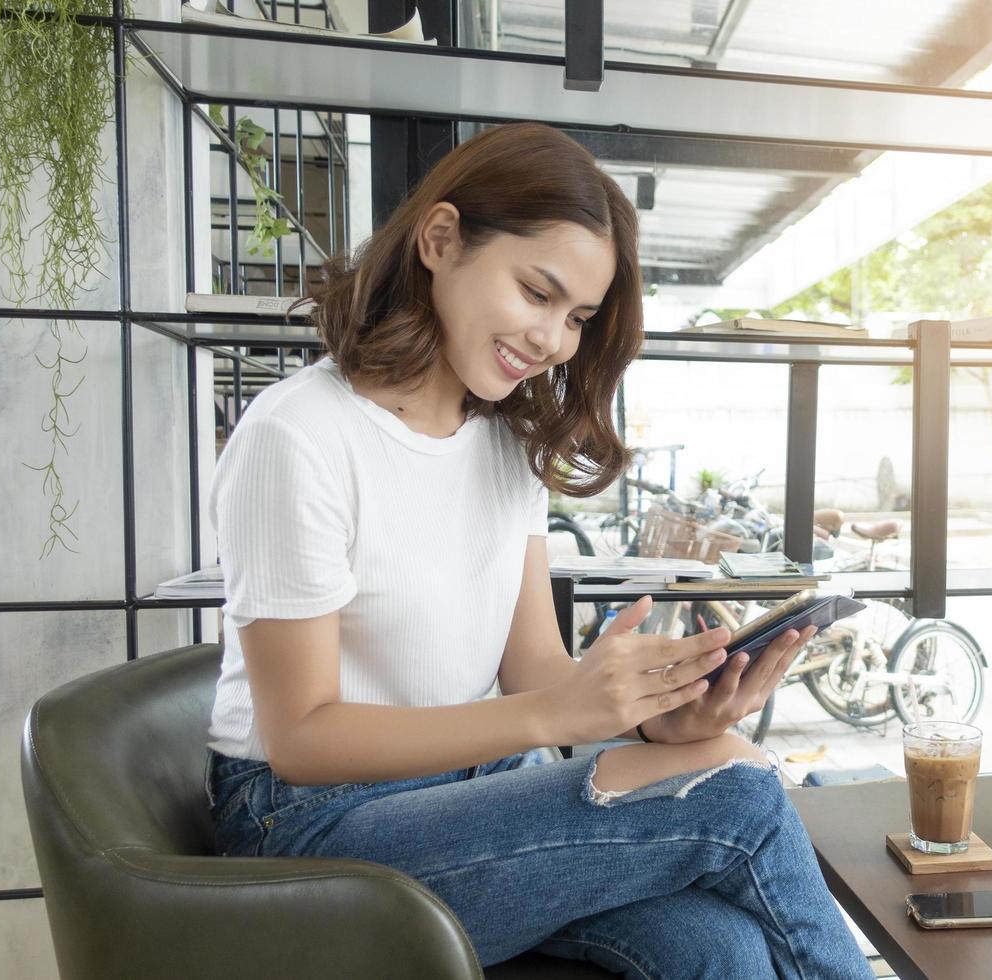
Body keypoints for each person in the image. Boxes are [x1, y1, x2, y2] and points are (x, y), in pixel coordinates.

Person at [203, 122, 875, 979]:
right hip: (308, 828)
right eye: (537, 292)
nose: (555, 339)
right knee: (741, 796)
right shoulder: (298, 435)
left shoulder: (501, 441)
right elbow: (300, 737)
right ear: (441, 240)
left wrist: (655, 714)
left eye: (578, 318)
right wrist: (554, 719)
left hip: (467, 791)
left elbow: (531, 669)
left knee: (722, 950)